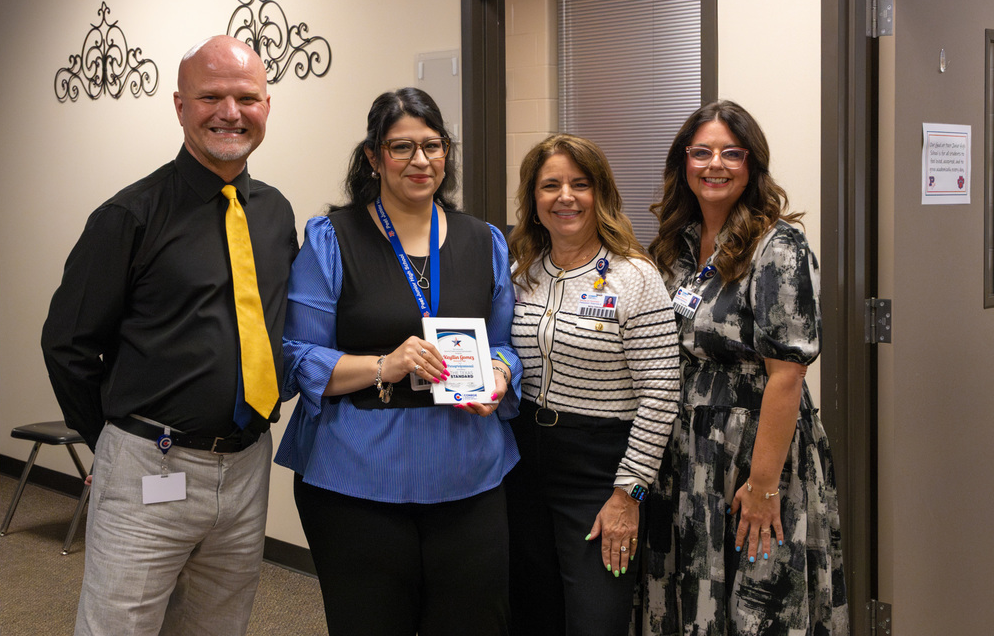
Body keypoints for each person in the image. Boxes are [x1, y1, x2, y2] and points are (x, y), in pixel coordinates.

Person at [40, 36, 297, 636]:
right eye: (210, 96)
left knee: (217, 625)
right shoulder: (129, 215)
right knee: (119, 625)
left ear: (266, 104)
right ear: (180, 106)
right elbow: (68, 344)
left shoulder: (276, 212)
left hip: (246, 463)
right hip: (149, 464)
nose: (229, 112)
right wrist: (109, 440)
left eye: (245, 97)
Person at [274, 87, 520, 636]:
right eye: (401, 147)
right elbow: (297, 357)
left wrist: (500, 372)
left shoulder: (486, 242)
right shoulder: (332, 238)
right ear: (373, 157)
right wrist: (385, 364)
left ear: (447, 152)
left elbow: (503, 344)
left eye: (432, 146)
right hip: (357, 480)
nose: (420, 161)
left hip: (470, 475)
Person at [644, 100, 848, 635]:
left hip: (752, 452)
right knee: (692, 596)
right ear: (683, 162)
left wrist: (762, 487)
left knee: (760, 599)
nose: (716, 165)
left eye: (731, 153)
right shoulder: (676, 244)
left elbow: (788, 374)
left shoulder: (778, 246)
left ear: (752, 165)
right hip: (685, 451)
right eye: (702, 152)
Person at [505, 134, 681, 635]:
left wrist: (629, 493)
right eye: (551, 185)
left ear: (599, 194)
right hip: (523, 464)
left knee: (594, 620)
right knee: (532, 613)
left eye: (580, 184)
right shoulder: (522, 272)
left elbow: (661, 392)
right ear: (533, 198)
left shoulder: (635, 277)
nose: (566, 196)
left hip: (599, 472)